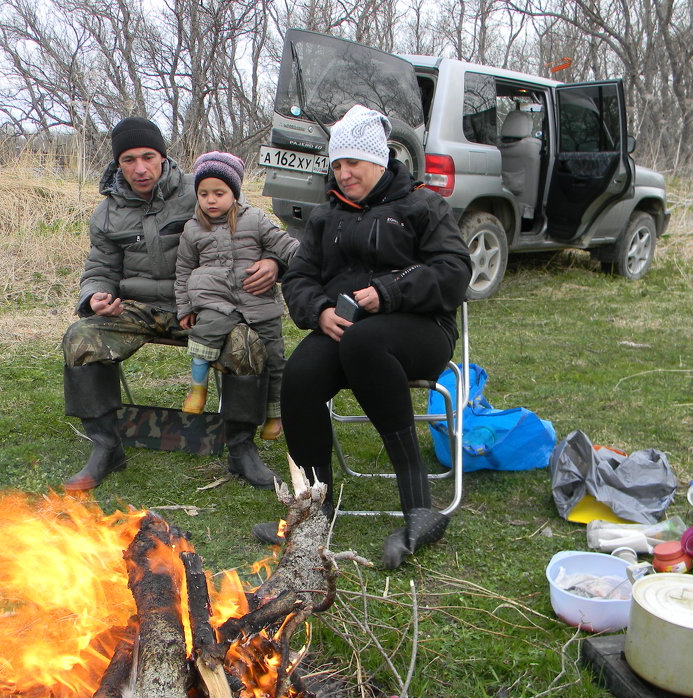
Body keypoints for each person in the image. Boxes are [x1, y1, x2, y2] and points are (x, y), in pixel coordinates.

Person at [252, 104, 471, 569]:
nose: (343, 172)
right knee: (301, 374)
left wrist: (389, 292)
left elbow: (454, 274)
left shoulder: (422, 205)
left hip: (419, 329)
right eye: (336, 163)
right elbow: (298, 278)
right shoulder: (325, 217)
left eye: (352, 162)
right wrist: (319, 311)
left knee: (363, 343)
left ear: (379, 160)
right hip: (345, 327)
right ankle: (313, 508)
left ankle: (419, 506)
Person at [60, 118, 284, 492]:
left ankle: (241, 449)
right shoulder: (106, 213)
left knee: (246, 343)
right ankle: (106, 446)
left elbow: (251, 232)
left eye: (149, 157)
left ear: (164, 157)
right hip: (136, 307)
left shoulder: (200, 189)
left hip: (204, 305)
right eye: (129, 160)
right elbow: (99, 268)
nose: (140, 168)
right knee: (81, 339)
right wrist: (95, 296)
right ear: (118, 164)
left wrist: (274, 264)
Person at [175, 151, 298, 440]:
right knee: (204, 335)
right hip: (215, 300)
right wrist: (184, 308)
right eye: (203, 193)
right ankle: (198, 389)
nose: (211, 200)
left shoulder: (255, 219)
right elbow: (183, 270)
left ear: (235, 193)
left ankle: (274, 414)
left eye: (219, 192)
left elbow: (283, 244)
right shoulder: (193, 229)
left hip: (258, 302)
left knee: (275, 357)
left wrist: (304, 257)